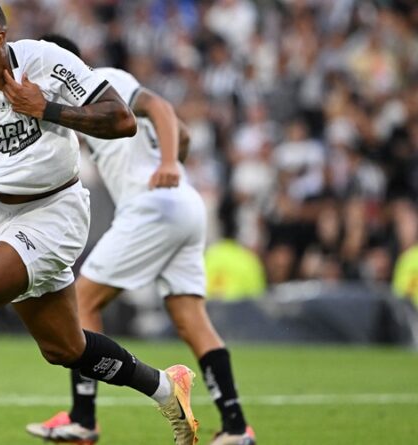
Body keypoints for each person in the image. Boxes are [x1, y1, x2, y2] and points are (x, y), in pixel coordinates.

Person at [0, 2, 198, 445]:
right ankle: (165, 387)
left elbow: (122, 121)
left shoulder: (46, 62)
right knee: (66, 349)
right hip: (5, 216)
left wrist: (47, 109)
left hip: (57, 211)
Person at [25, 35, 255, 445]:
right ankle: (237, 427)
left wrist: (165, 164)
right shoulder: (74, 111)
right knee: (190, 318)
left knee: (83, 303)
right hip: (183, 204)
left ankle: (83, 420)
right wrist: (170, 164)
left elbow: (162, 109)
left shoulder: (103, 81)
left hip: (152, 207)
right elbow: (182, 134)